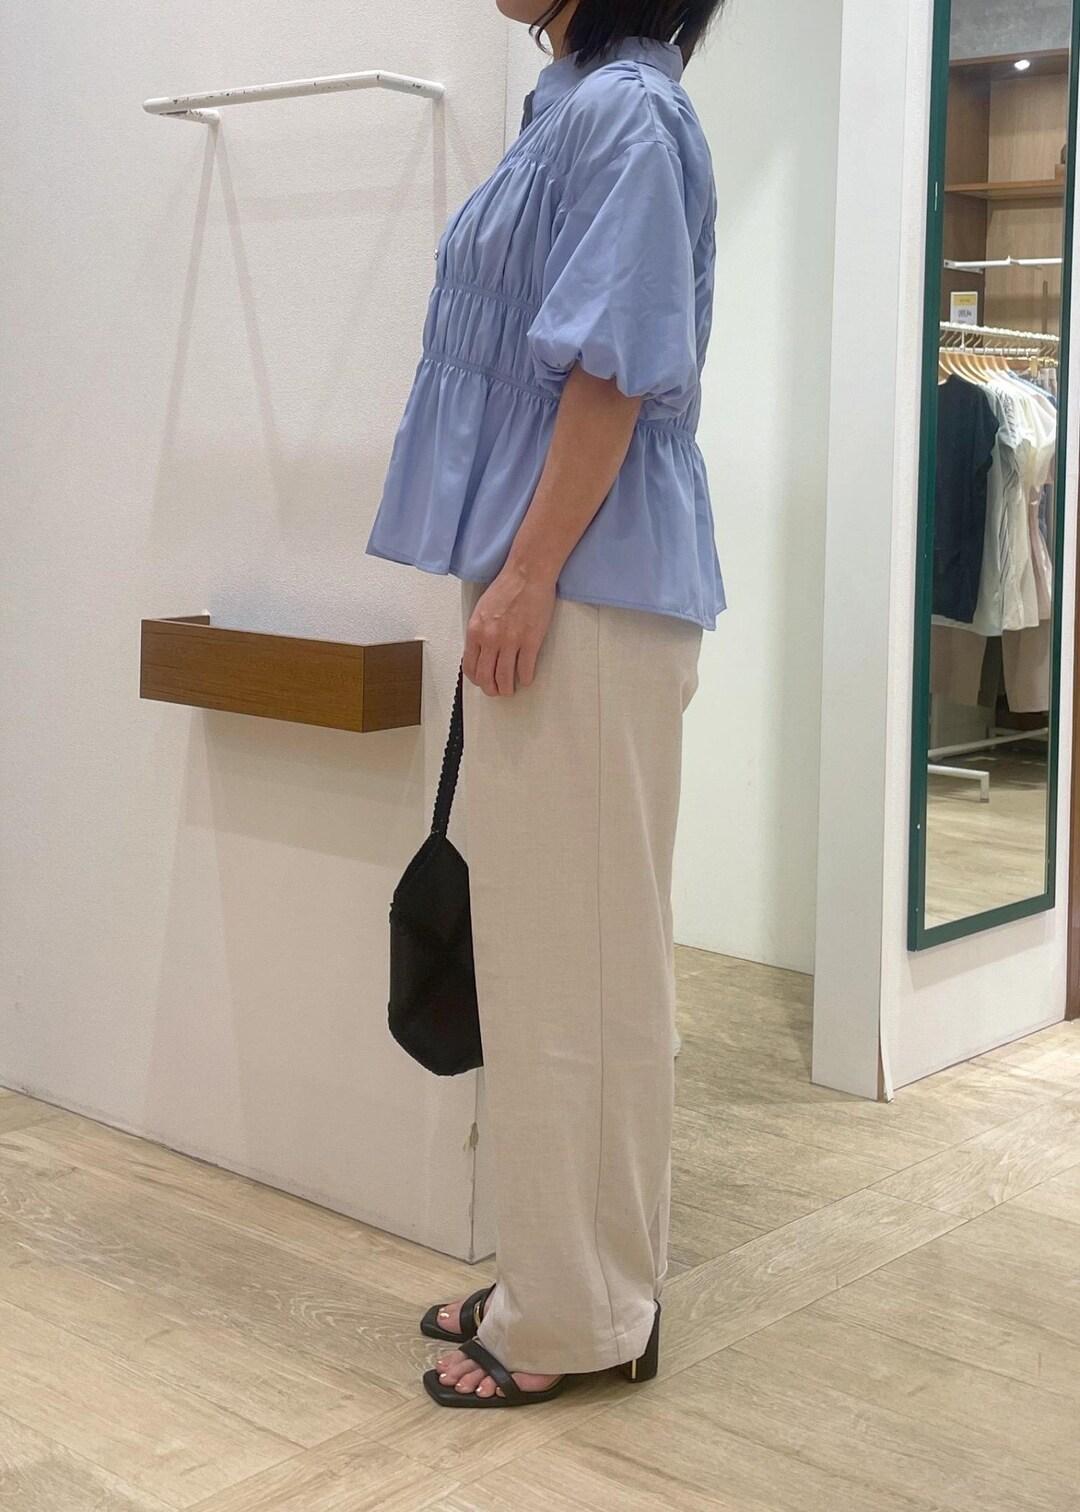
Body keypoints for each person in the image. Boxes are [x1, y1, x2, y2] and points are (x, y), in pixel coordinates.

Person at [365, 0, 728, 1408]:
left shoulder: (626, 113)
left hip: (581, 580)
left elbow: (612, 369)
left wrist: (524, 575)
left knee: (580, 965)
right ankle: (570, 1283)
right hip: (561, 572)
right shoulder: (578, 101)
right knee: (553, 958)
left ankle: (579, 1314)